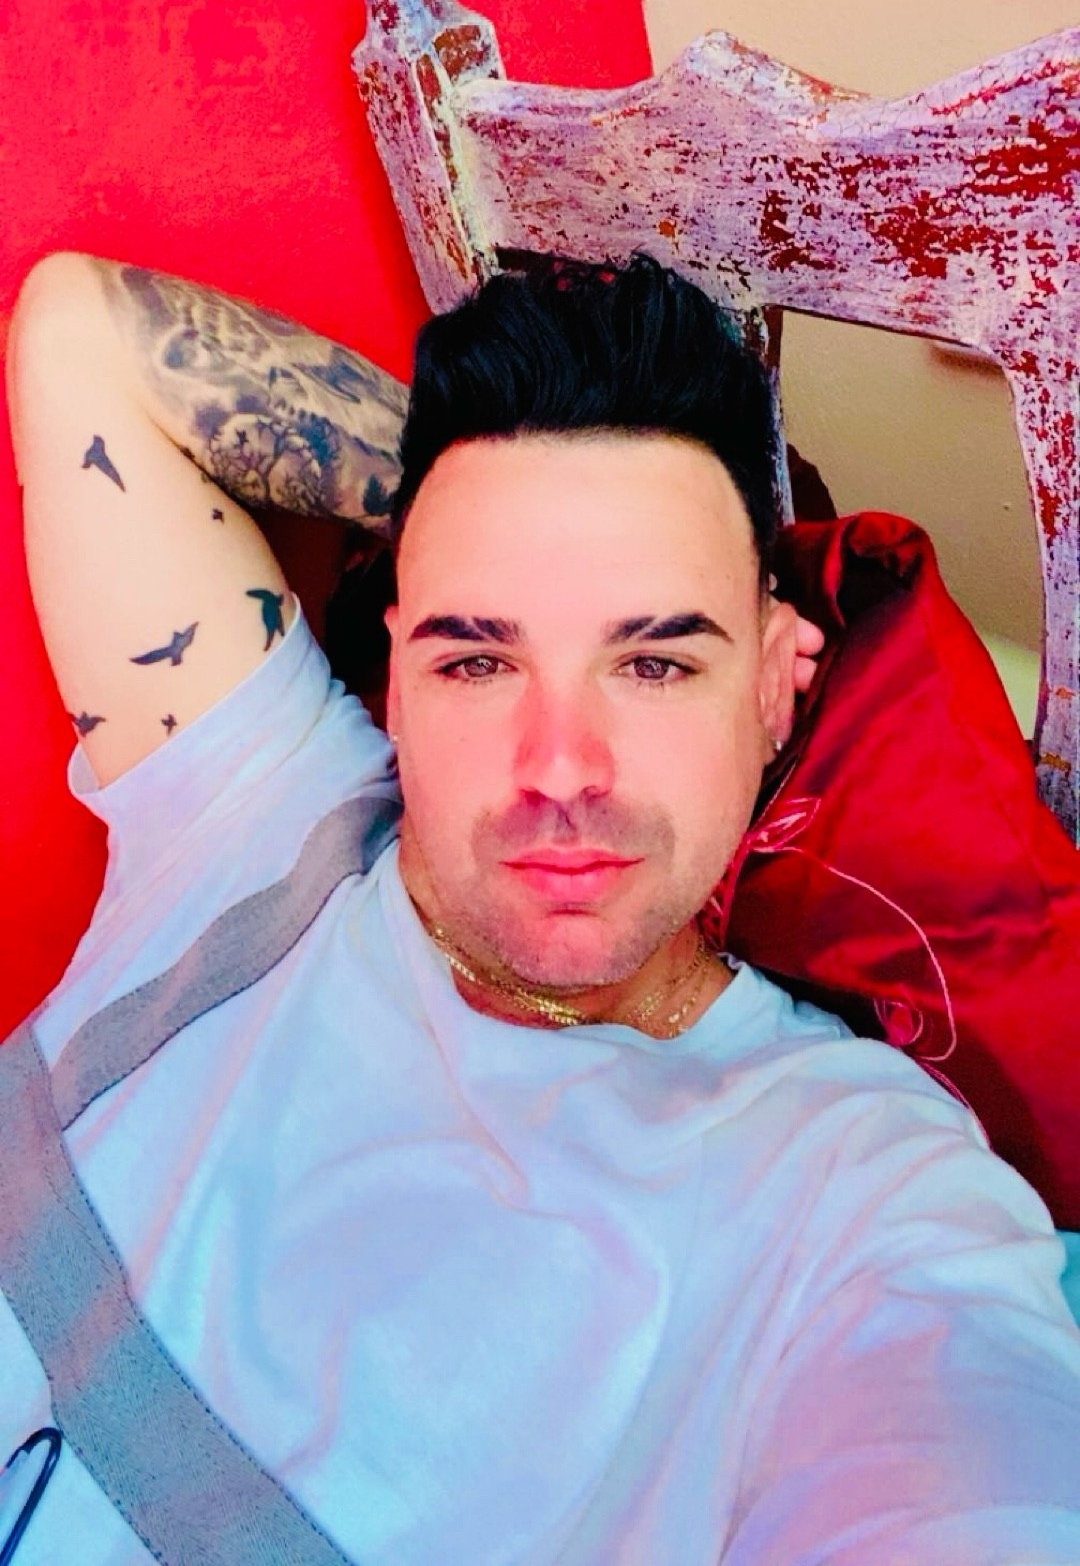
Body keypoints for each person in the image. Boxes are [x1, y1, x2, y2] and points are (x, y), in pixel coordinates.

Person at [2, 247, 1079, 1565]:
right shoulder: (258, 807)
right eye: (476, 658)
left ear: (778, 683)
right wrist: (470, 505)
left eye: (655, 661)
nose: (561, 769)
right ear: (397, 674)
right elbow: (82, 333)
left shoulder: (856, 1184)